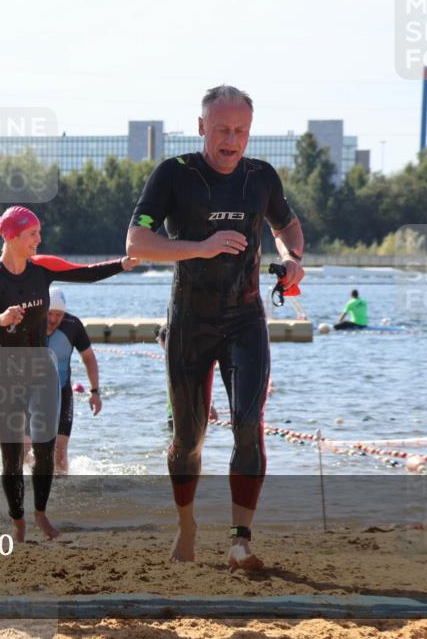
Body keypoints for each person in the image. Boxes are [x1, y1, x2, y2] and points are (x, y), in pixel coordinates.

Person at [127, 85, 305, 570]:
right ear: (202, 125)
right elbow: (138, 241)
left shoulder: (260, 176)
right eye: (222, 130)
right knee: (189, 437)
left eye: (241, 131)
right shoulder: (175, 174)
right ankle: (187, 527)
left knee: (249, 427)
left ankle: (240, 540)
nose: (231, 141)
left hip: (245, 317)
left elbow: (286, 225)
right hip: (189, 320)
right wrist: (200, 246)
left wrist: (292, 259)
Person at [0, 206, 137, 543]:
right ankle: (18, 521)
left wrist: (123, 264)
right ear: (11, 237)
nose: (39, 239)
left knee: (44, 449)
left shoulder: (41, 268)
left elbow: (84, 272)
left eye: (39, 233)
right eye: (32, 234)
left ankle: (40, 513)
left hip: (42, 372)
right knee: (12, 456)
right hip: (4, 373)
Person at [43, 288, 102, 475]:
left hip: (62, 393)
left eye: (58, 314)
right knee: (27, 451)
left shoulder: (73, 325)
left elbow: (89, 358)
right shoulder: (31, 322)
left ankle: (62, 497)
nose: (53, 319)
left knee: (59, 452)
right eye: (50, 314)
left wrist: (95, 392)